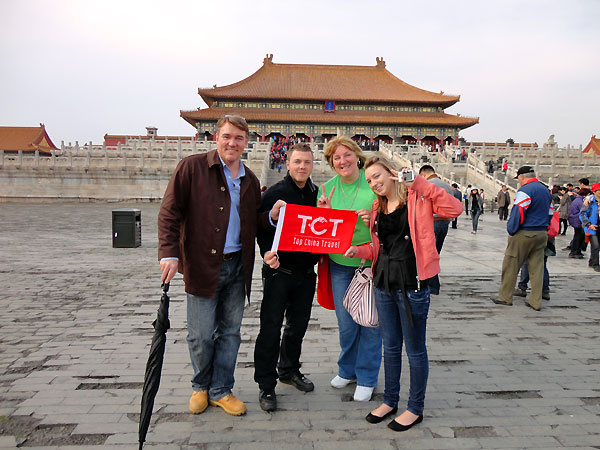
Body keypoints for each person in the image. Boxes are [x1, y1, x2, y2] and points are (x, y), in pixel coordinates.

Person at [158, 115, 284, 417]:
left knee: (230, 333)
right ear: (216, 137)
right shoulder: (192, 168)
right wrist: (169, 253)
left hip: (237, 266)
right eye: (227, 137)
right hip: (203, 265)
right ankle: (200, 385)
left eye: (239, 138)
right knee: (200, 334)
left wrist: (270, 218)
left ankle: (221, 389)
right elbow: (169, 212)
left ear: (246, 142)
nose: (232, 143)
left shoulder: (250, 180)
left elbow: (252, 220)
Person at [343, 155, 461, 432]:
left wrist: (418, 182)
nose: (373, 183)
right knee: (391, 346)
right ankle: (391, 400)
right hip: (383, 282)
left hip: (412, 283)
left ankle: (415, 408)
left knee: (415, 349)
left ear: (391, 173)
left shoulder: (417, 198)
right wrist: (359, 251)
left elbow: (454, 208)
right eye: (369, 180)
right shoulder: (377, 206)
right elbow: (380, 248)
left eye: (377, 176)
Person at [254, 143, 320, 412]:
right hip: (279, 272)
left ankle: (289, 370)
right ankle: (266, 385)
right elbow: (260, 227)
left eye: (306, 162)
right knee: (270, 329)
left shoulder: (316, 193)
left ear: (311, 165)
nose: (302, 166)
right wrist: (266, 252)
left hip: (306, 273)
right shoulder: (276, 193)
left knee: (297, 327)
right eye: (297, 162)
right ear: (288, 163)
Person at [316, 136, 380, 402]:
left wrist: (373, 221)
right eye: (336, 158)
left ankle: (367, 376)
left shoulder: (374, 182)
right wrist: (325, 213)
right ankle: (347, 369)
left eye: (346, 155)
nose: (342, 161)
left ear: (357, 155)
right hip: (340, 264)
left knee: (369, 322)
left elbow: (391, 217)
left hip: (370, 265)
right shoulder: (327, 189)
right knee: (346, 323)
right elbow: (320, 231)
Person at [490, 166, 552, 311]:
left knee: (511, 264)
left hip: (525, 233)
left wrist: (512, 230)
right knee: (537, 268)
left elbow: (519, 212)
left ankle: (505, 297)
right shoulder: (545, 190)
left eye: (518, 179)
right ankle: (535, 301)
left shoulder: (526, 190)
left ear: (523, 177)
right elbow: (550, 213)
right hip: (541, 232)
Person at [417, 165, 456, 295]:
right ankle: (430, 284)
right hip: (444, 223)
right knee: (435, 254)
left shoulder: (427, 185)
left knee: (427, 255)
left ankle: (432, 285)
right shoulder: (447, 186)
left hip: (431, 222)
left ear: (423, 174)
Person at [580, 182, 600, 272]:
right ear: (594, 191)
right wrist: (588, 224)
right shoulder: (590, 202)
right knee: (595, 246)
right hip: (592, 227)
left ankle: (592, 261)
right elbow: (582, 214)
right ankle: (595, 264)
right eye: (598, 191)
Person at [568, 186, 591, 259]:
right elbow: (584, 210)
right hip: (577, 220)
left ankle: (576, 251)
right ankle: (575, 251)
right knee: (578, 236)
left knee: (578, 236)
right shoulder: (581, 201)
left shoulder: (578, 199)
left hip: (575, 219)